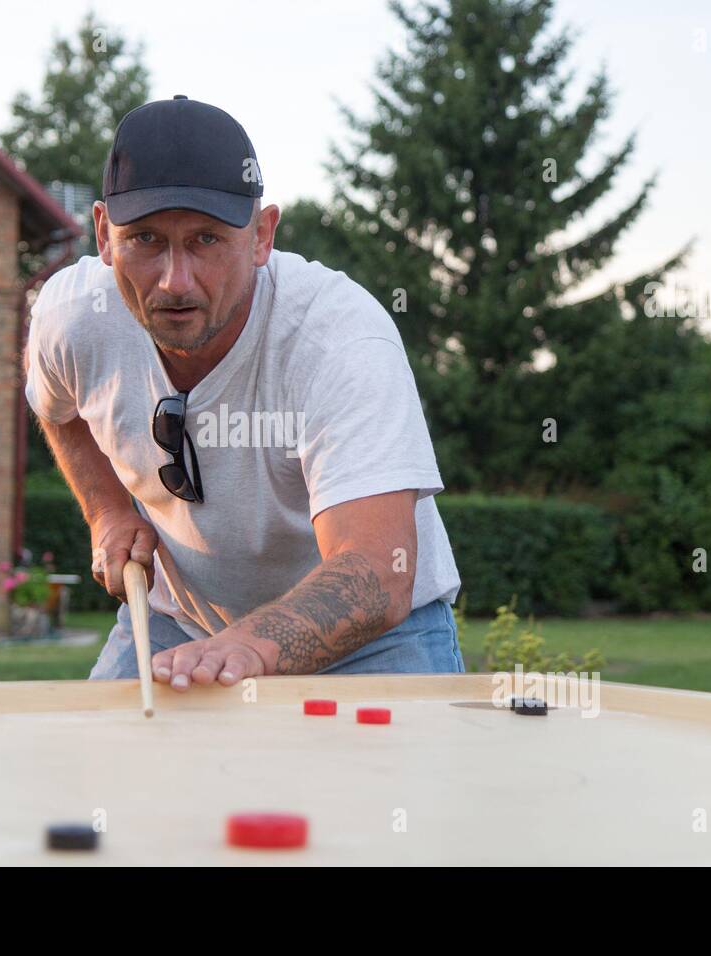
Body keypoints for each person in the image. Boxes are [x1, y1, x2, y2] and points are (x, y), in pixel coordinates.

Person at [25, 95, 462, 690]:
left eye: (207, 240)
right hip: (180, 625)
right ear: (103, 234)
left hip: (377, 642)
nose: (174, 282)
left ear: (261, 235)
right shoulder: (74, 316)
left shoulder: (338, 338)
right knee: (102, 779)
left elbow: (376, 570)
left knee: (386, 787)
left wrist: (248, 646)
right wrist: (104, 511)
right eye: (147, 240)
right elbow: (58, 408)